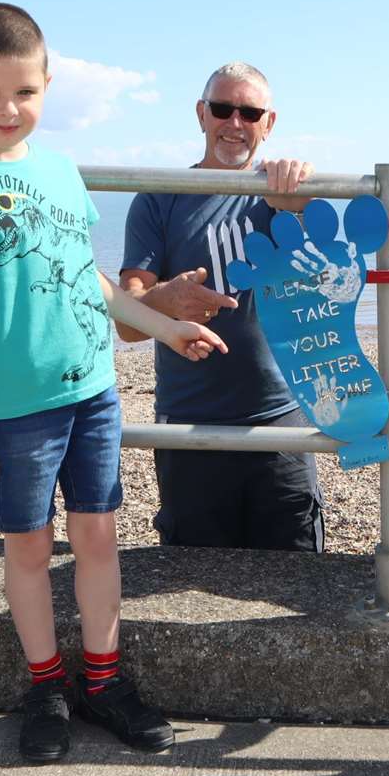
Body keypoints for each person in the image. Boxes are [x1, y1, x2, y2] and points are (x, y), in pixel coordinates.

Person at [0, 3, 226, 764]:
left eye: (23, 91)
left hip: (95, 393)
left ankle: (105, 681)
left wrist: (165, 327)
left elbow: (96, 284)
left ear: (47, 85)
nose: (7, 109)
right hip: (15, 411)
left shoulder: (58, 171)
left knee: (98, 537)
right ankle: (46, 686)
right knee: (28, 551)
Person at [117, 62, 324, 551]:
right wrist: (166, 300)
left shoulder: (285, 197)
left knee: (296, 579)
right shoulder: (160, 198)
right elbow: (127, 321)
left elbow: (329, 291)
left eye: (250, 112)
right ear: (201, 114)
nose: (235, 123)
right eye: (223, 108)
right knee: (191, 584)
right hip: (191, 428)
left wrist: (303, 200)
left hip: (281, 422)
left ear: (268, 124)